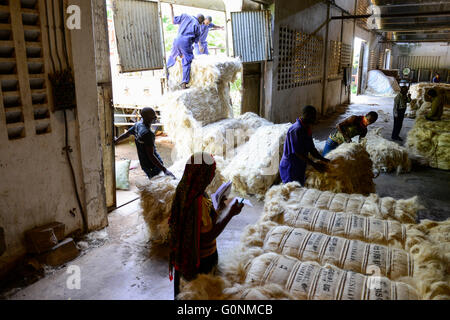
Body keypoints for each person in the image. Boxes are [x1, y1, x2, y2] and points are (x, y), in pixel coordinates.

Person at [168, 152, 244, 299]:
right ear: (203, 175)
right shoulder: (197, 203)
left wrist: (219, 208)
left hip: (183, 256)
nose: (212, 175)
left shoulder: (185, 189)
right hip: (200, 263)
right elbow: (208, 236)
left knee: (185, 294)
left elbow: (201, 223)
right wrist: (230, 214)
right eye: (211, 172)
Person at [114, 107, 175, 179]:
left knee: (152, 178)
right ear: (147, 118)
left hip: (144, 163)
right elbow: (151, 155)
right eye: (153, 116)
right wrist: (165, 170)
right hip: (153, 166)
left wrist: (116, 140)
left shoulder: (137, 125)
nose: (156, 117)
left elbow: (127, 134)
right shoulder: (148, 134)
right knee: (156, 180)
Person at [279, 105, 329, 186]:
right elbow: (298, 152)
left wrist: (322, 158)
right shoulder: (296, 129)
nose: (315, 118)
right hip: (291, 167)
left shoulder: (306, 128)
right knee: (291, 192)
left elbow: (311, 148)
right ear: (307, 115)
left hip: (299, 166)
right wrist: (314, 165)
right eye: (313, 116)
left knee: (299, 190)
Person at [166, 4, 204, 89]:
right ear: (201, 22)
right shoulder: (198, 26)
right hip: (186, 42)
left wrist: (171, 8)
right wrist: (188, 51)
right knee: (187, 60)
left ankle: (166, 73)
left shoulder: (185, 16)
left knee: (172, 57)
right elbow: (195, 41)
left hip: (176, 40)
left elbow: (173, 21)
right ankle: (184, 82)